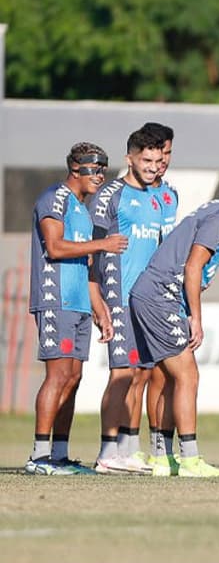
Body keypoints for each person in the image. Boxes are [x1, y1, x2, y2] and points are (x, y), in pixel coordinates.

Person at [129, 166, 219, 477]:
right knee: (188, 376)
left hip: (151, 293)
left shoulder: (218, 211)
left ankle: (160, 456)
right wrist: (195, 317)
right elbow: (194, 266)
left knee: (163, 377)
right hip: (160, 296)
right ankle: (190, 459)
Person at [25, 142, 128, 475]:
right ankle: (39, 457)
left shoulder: (83, 209)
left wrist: (100, 309)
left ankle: (59, 455)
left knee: (73, 377)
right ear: (75, 169)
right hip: (57, 299)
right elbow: (54, 247)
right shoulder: (54, 199)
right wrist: (103, 244)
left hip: (79, 302)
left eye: (103, 170)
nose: (99, 176)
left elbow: (84, 264)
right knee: (57, 376)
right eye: (94, 170)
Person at [90, 127, 167, 473]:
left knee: (140, 374)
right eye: (145, 159)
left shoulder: (156, 198)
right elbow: (92, 248)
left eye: (156, 159)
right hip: (118, 296)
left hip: (146, 302)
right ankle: (107, 452)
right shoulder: (111, 194)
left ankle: (125, 450)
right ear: (130, 159)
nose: (152, 166)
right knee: (121, 374)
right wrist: (98, 299)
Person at [139, 121, 179, 465]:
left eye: (167, 153)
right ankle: (121, 448)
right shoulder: (126, 193)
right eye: (158, 153)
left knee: (165, 373)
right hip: (136, 292)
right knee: (142, 372)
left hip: (165, 291)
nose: (162, 160)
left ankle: (159, 449)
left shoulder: (169, 194)